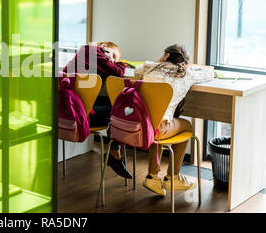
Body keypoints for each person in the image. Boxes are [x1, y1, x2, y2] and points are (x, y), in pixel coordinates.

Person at [134, 44, 214, 196]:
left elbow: (137, 73)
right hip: (157, 129)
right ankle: (173, 177)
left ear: (166, 55)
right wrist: (196, 68)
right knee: (187, 126)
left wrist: (158, 62)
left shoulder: (147, 67)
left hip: (139, 125)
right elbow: (209, 75)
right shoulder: (187, 74)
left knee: (155, 120)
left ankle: (153, 176)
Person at [63, 41, 132, 179]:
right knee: (120, 111)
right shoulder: (90, 50)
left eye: (114, 59)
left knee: (115, 104)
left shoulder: (89, 59)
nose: (111, 60)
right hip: (77, 113)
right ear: (104, 45)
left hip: (71, 110)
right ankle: (114, 153)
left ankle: (115, 153)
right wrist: (121, 64)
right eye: (112, 56)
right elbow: (117, 71)